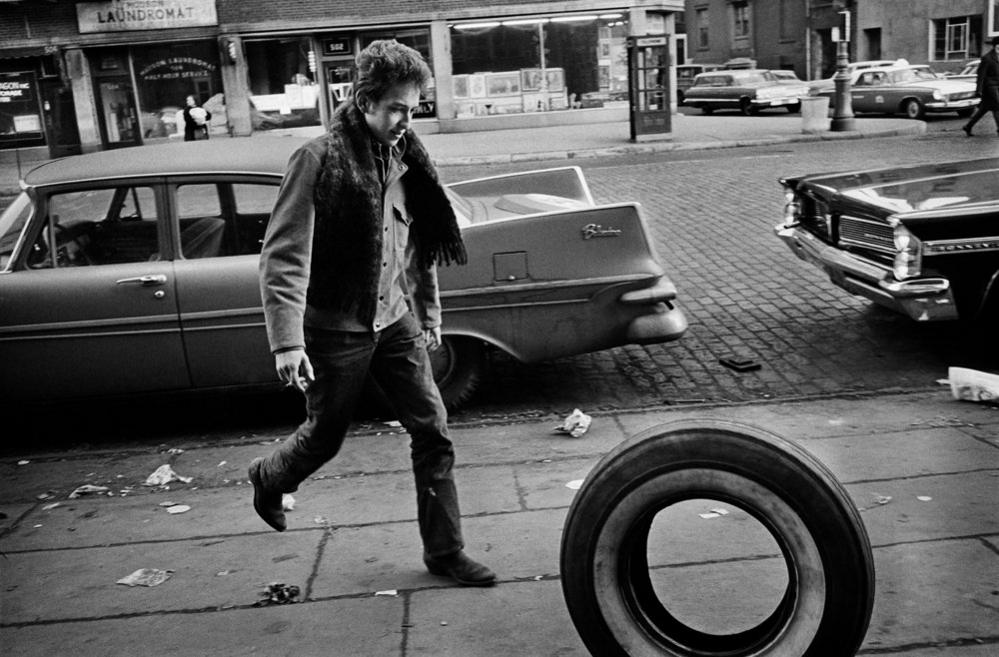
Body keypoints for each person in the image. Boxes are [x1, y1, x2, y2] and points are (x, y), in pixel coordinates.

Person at [248, 40, 495, 587]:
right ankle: (270, 475)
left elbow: (420, 244)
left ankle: (445, 551)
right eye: (398, 109)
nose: (408, 121)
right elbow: (285, 254)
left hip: (396, 321)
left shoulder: (408, 158)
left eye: (414, 109)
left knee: (433, 428)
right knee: (326, 434)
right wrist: (287, 342)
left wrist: (429, 313)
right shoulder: (319, 159)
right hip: (336, 328)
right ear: (364, 101)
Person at [962, 37, 999, 137]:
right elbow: (981, 75)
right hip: (990, 87)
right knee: (997, 106)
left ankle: (968, 126)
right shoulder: (987, 58)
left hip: (997, 86)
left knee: (984, 109)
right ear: (996, 45)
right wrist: (978, 90)